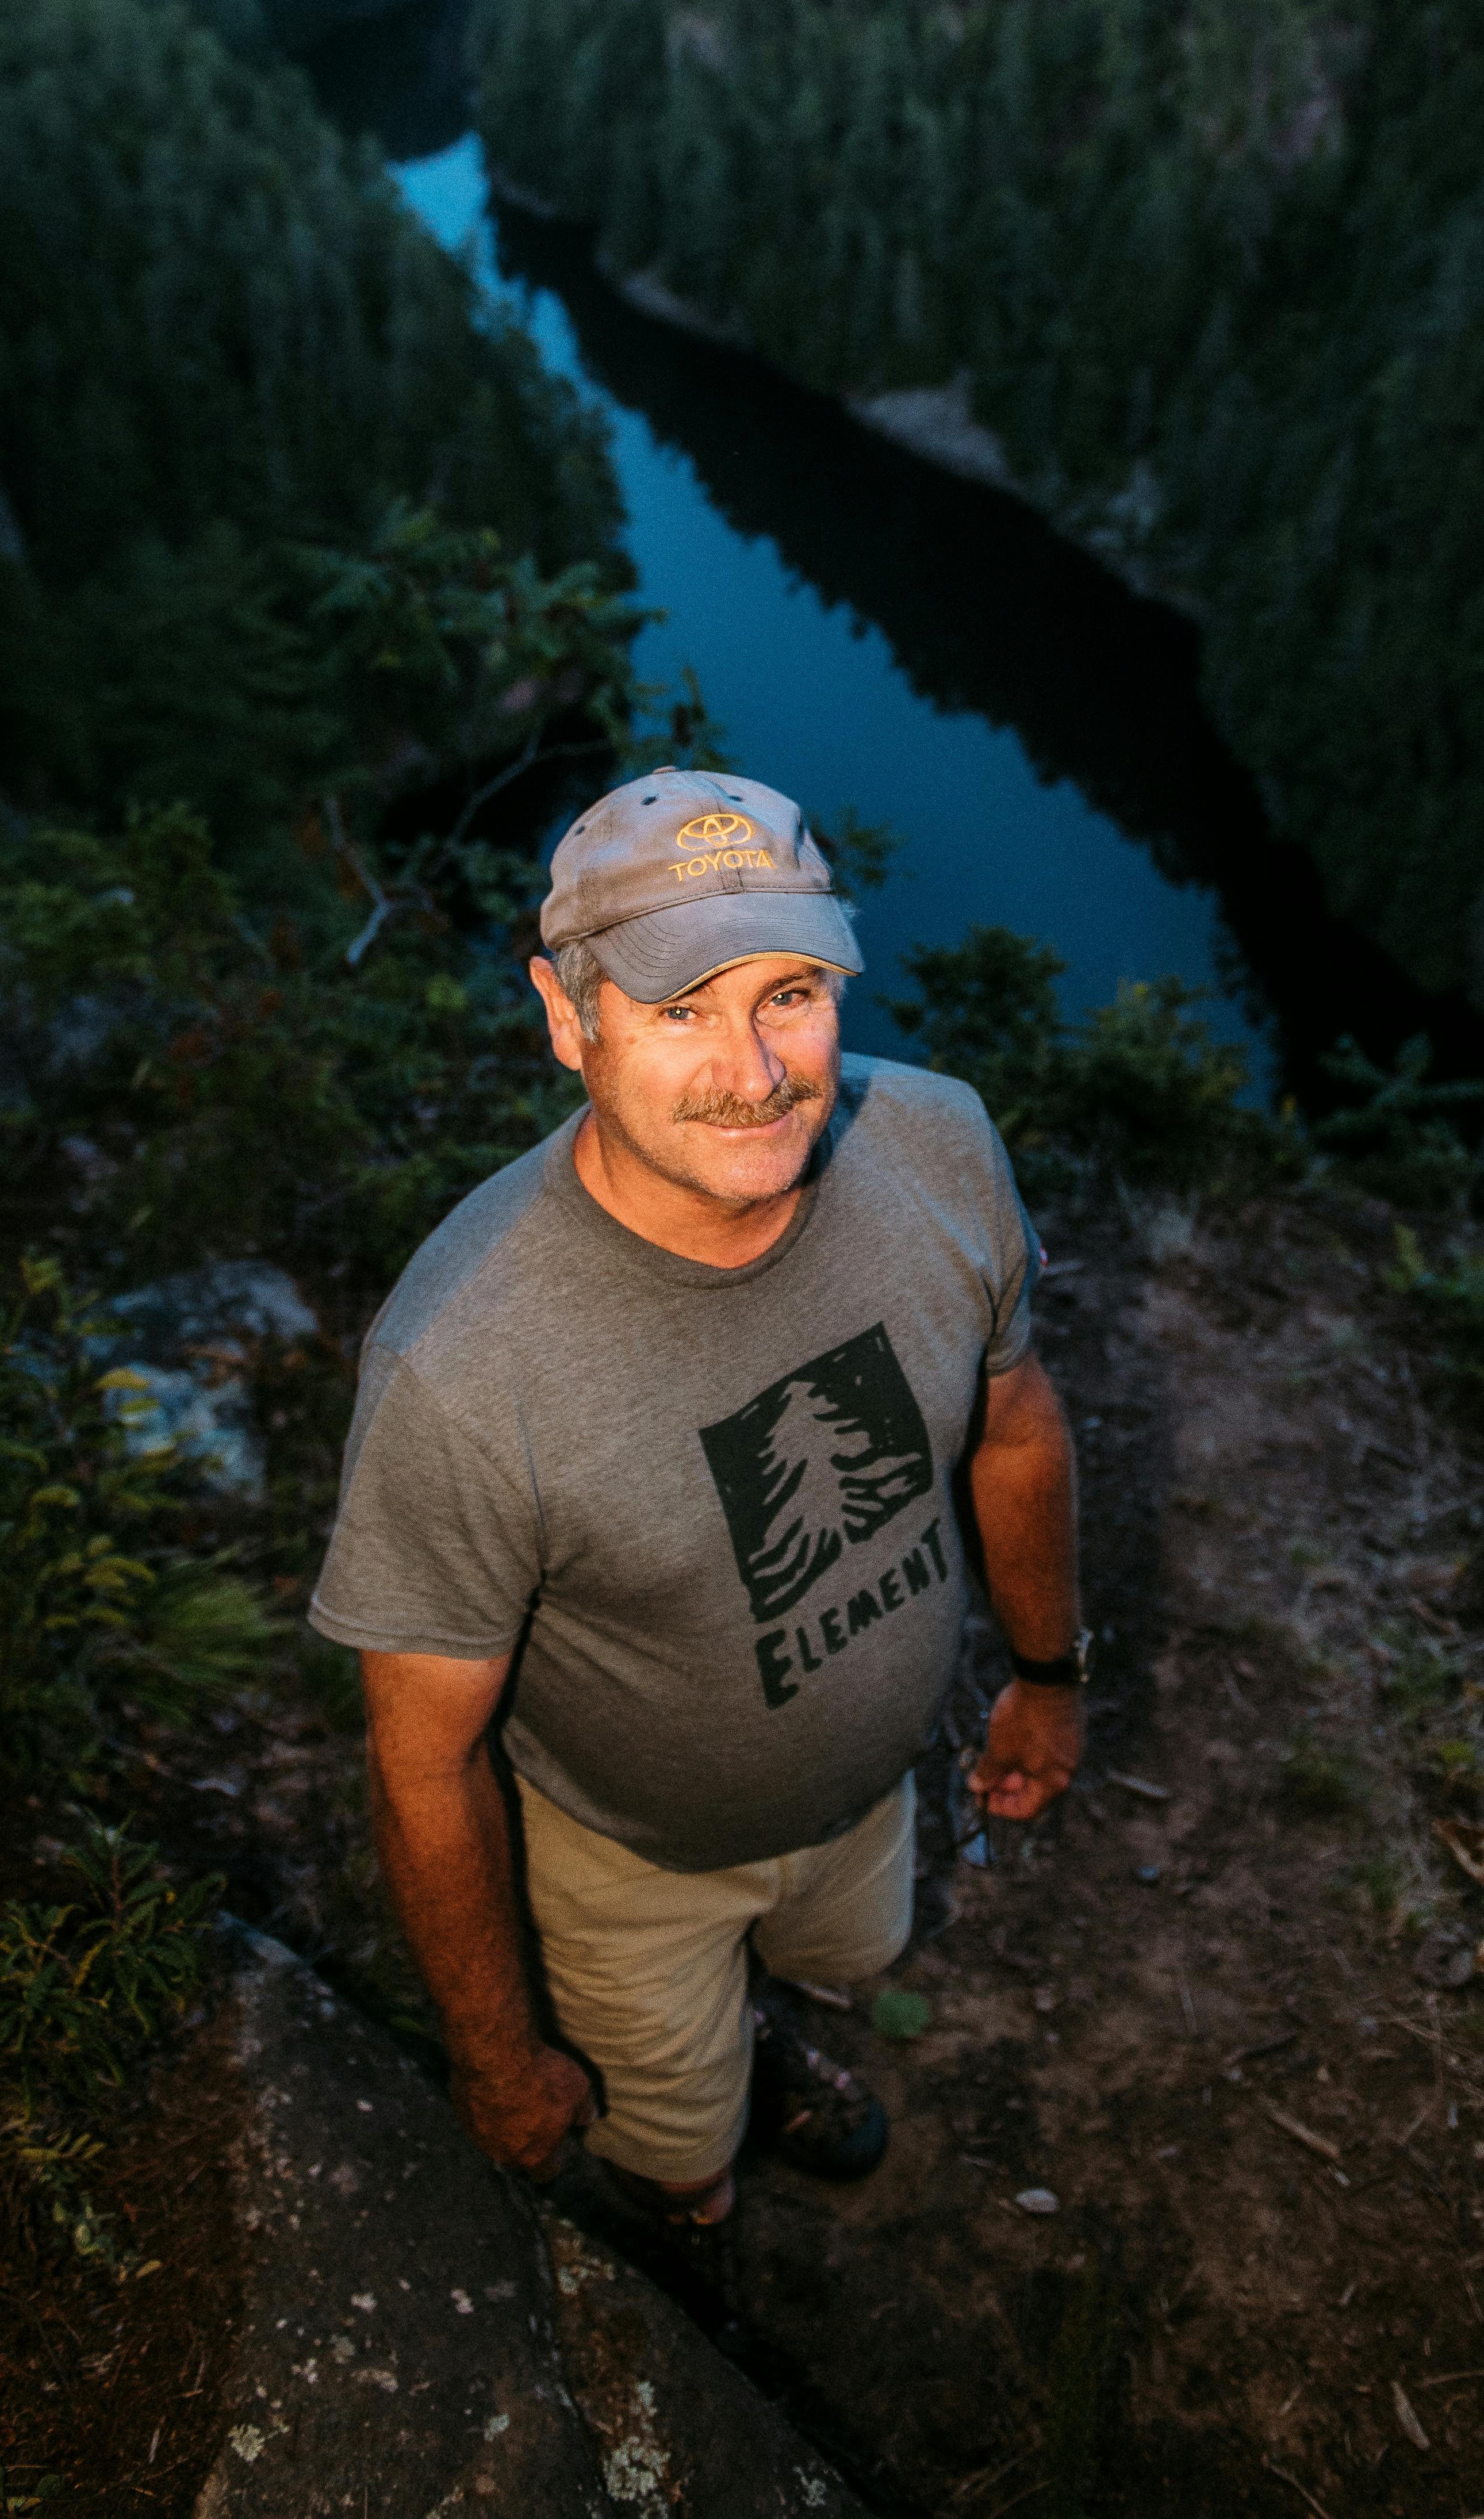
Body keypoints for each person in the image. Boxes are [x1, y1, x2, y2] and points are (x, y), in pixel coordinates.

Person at [308, 765, 1086, 2226]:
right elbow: (423, 1761)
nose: (757, 1070)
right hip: (632, 1857)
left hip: (868, 1789)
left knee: (842, 1961)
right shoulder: (462, 1369)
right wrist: (497, 2057)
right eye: (681, 1009)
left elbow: (1015, 1424)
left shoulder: (936, 1147)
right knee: (680, 2171)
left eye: (789, 992)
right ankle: (692, 2185)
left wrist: (1048, 1676)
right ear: (568, 1018)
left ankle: (756, 2032)